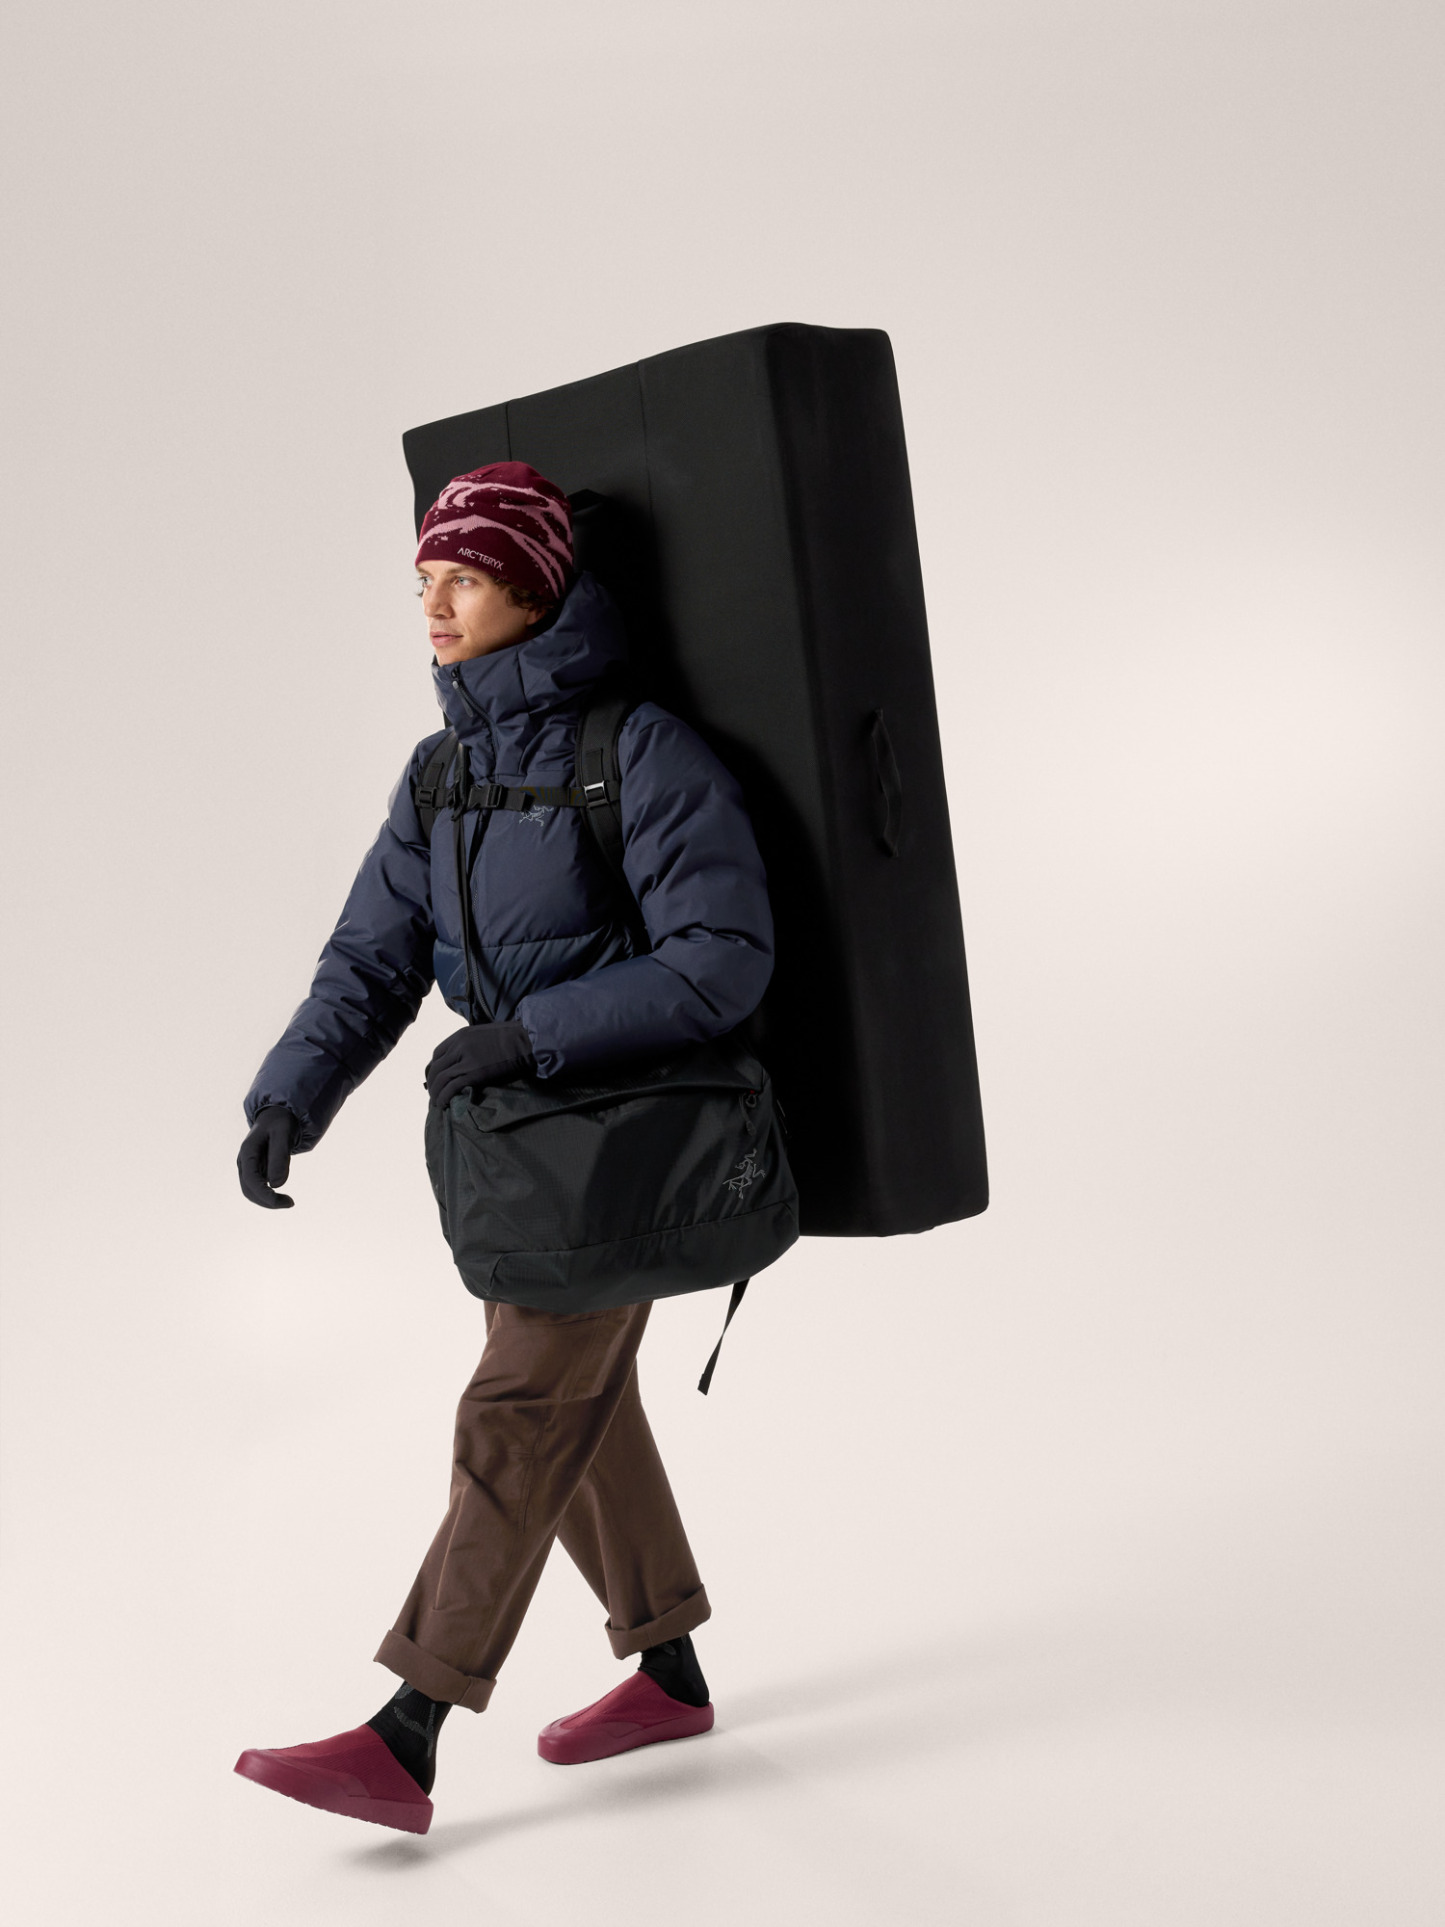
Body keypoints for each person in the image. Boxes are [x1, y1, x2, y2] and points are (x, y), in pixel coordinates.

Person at [232, 463, 774, 1834]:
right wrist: (291, 1095)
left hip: (629, 1145)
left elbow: (722, 955)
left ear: (536, 590)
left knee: (521, 1410)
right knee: (583, 1410)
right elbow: (370, 958)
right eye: (423, 582)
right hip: (522, 1152)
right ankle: (669, 1672)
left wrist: (530, 1033)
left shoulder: (637, 750)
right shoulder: (444, 773)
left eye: (463, 579)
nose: (435, 605)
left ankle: (406, 1732)